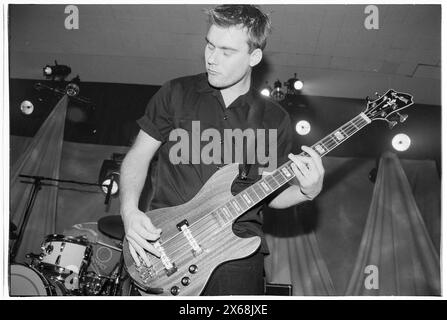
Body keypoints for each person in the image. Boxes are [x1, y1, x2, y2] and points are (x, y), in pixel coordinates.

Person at [119, 4, 325, 295]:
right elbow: (138, 156)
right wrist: (129, 211)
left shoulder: (274, 118)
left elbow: (270, 193)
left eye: (227, 52)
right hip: (166, 243)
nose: (212, 59)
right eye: (209, 45)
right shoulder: (176, 93)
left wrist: (306, 192)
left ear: (254, 57)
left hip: (236, 251)